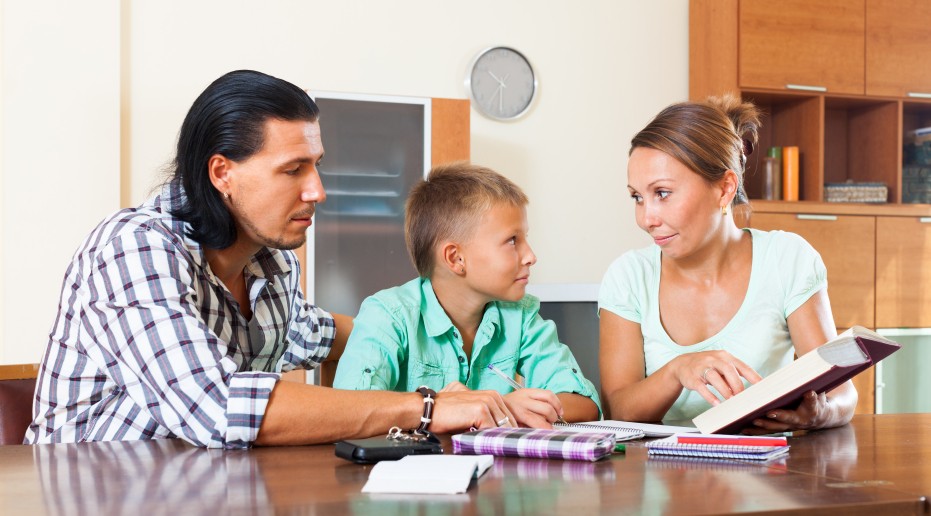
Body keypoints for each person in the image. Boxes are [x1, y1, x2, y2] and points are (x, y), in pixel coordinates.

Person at [25, 70, 515, 448]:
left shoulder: (273, 265)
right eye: (292, 170)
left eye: (316, 166)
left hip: (198, 491)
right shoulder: (132, 249)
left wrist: (456, 348)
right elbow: (220, 407)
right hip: (84, 493)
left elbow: (323, 334)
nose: (317, 191)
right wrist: (425, 407)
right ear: (222, 173)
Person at [598, 95, 856, 433]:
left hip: (768, 473)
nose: (646, 218)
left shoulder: (788, 259)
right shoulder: (628, 277)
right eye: (637, 197)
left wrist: (820, 413)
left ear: (724, 188)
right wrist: (678, 370)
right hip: (663, 476)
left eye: (662, 193)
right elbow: (618, 408)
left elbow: (842, 393)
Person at [333, 162, 601, 427]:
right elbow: (352, 411)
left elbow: (585, 404)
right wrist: (456, 408)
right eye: (512, 240)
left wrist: (498, 407)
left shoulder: (520, 314)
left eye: (525, 238)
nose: (531, 256)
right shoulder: (389, 315)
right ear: (456, 258)